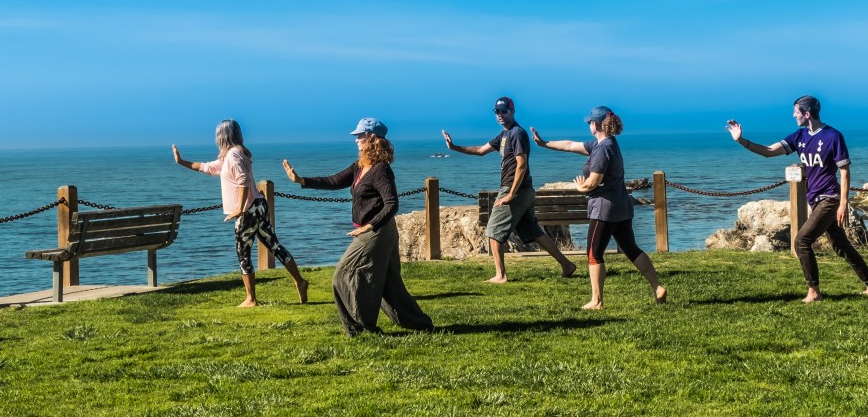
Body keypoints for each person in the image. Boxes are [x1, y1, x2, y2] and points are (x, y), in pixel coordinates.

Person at [282, 118, 433, 336]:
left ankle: (361, 327)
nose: (356, 140)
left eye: (360, 136)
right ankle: (420, 324)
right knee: (390, 285)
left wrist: (369, 226)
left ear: (372, 138)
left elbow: (392, 204)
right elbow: (334, 181)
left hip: (377, 231)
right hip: (376, 230)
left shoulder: (381, 170)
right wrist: (301, 180)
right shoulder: (359, 167)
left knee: (343, 274)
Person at [726, 95, 868, 303]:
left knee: (802, 240)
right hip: (815, 199)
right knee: (840, 245)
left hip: (830, 198)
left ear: (807, 114)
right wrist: (741, 141)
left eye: (796, 112)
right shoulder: (799, 137)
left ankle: (814, 292)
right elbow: (769, 152)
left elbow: (844, 171)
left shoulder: (833, 136)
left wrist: (843, 202)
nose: (793, 115)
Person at [531, 106, 666, 309]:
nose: (588, 125)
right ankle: (657, 287)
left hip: (604, 209)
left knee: (594, 253)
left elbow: (594, 181)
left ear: (595, 124)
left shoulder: (602, 149)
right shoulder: (604, 144)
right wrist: (544, 144)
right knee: (631, 249)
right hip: (621, 207)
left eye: (589, 122)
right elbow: (569, 145)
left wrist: (580, 187)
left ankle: (597, 300)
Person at [172, 119, 309, 307]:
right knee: (275, 246)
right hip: (259, 206)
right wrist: (181, 162)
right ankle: (300, 281)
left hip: (249, 211)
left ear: (222, 136)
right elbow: (205, 167)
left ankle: (251, 299)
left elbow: (243, 181)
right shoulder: (231, 156)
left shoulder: (233, 156)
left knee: (243, 253)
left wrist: (240, 208)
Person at [441, 96, 577, 283]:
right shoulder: (504, 135)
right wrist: (454, 147)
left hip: (516, 190)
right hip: (524, 190)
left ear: (512, 112)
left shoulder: (517, 133)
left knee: (493, 230)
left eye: (504, 111)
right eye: (497, 112)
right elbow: (481, 150)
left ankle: (501, 275)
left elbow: (521, 164)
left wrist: (511, 194)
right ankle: (566, 264)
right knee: (533, 231)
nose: (500, 115)